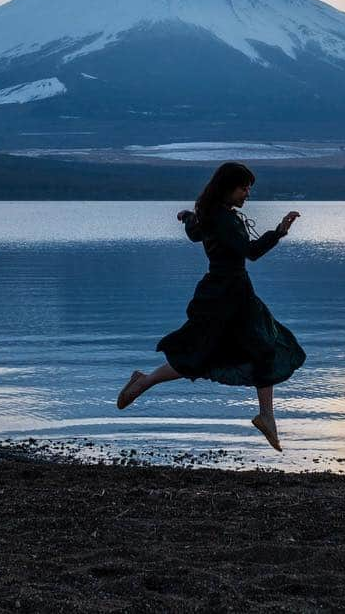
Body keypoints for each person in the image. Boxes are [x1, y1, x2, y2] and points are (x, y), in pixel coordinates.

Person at [115, 160, 304, 450]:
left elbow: (195, 231)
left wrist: (189, 216)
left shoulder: (215, 214)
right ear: (228, 188)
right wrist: (278, 232)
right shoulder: (223, 219)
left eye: (249, 188)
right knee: (215, 353)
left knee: (254, 348)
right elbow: (250, 252)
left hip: (229, 294)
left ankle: (267, 416)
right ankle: (144, 381)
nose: (247, 194)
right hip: (226, 296)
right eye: (244, 188)